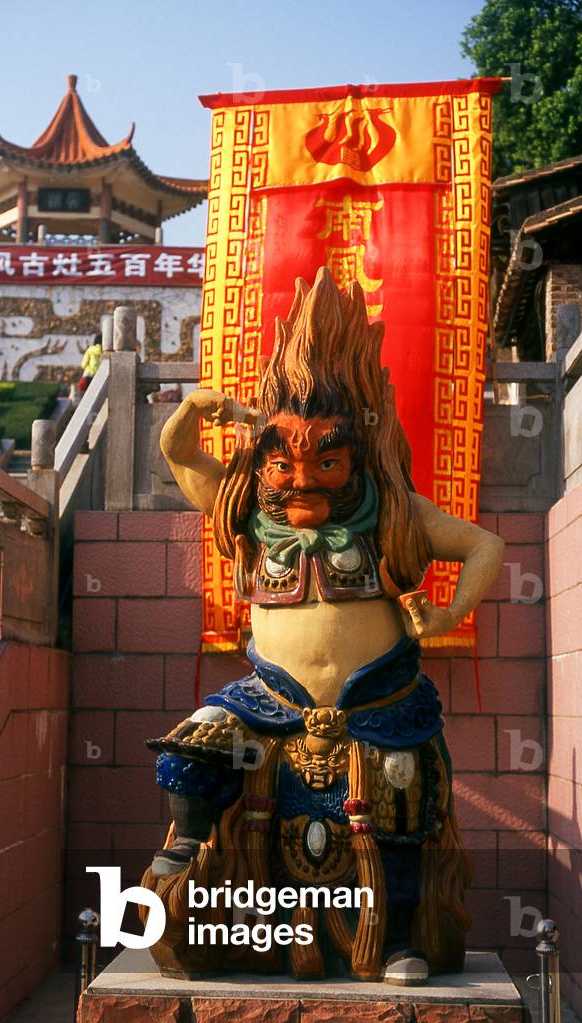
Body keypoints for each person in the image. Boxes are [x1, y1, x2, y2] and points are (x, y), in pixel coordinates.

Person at [142, 268, 504, 984]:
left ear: (357, 456)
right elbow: (179, 454)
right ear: (264, 459)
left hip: (377, 697)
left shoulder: (392, 511)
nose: (301, 481)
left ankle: (399, 936)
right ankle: (189, 863)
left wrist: (451, 610)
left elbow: (482, 545)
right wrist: (194, 407)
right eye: (283, 463)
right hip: (271, 696)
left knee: (402, 795)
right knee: (194, 748)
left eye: (325, 462)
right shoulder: (249, 506)